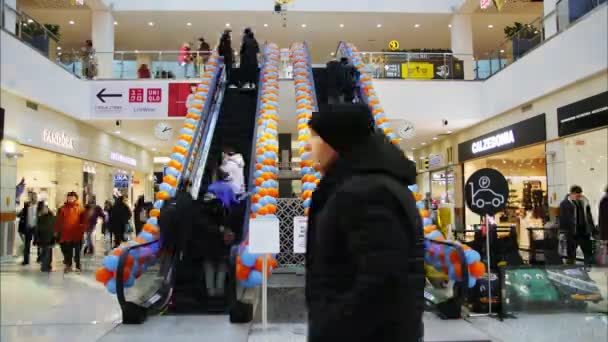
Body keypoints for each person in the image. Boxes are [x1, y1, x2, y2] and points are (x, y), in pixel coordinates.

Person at [304, 103, 424, 342]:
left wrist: (330, 327)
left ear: (337, 141)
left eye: (316, 137)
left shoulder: (366, 192)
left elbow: (381, 281)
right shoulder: (365, 184)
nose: (309, 145)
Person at [203, 169, 238, 297]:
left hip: (209, 234)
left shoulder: (210, 188)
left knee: (209, 264)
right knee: (222, 264)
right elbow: (235, 204)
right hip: (224, 232)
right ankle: (220, 291)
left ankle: (210, 292)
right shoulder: (229, 188)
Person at [560, 185, 595, 266]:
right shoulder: (564, 204)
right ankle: (570, 270)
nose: (578, 197)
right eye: (577, 195)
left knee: (588, 253)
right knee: (571, 254)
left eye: (579, 195)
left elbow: (589, 217)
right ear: (571, 193)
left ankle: (588, 270)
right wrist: (563, 232)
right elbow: (563, 219)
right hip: (572, 232)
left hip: (584, 232)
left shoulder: (584, 202)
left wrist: (592, 229)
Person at [54, 192, 85, 273]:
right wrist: (56, 231)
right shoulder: (62, 209)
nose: (70, 199)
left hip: (77, 234)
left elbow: (84, 220)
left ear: (76, 198)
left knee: (77, 252)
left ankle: (78, 266)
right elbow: (58, 221)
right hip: (66, 234)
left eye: (72, 197)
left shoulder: (80, 209)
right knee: (68, 252)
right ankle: (69, 266)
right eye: (69, 197)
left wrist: (83, 228)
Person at [18, 192, 38, 265]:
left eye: (31, 196)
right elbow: (21, 214)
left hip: (36, 227)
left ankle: (40, 258)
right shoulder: (26, 205)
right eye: (29, 196)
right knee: (27, 244)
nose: (29, 197)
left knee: (39, 243)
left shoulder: (39, 205)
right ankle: (26, 260)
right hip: (28, 227)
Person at [36, 202, 56, 272]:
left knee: (48, 252)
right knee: (45, 252)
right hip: (43, 238)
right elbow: (37, 228)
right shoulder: (40, 218)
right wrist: (37, 238)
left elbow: (55, 228)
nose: (44, 210)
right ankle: (45, 266)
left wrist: (55, 236)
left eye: (45, 208)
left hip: (50, 238)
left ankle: (46, 266)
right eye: (43, 209)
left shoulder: (53, 217)